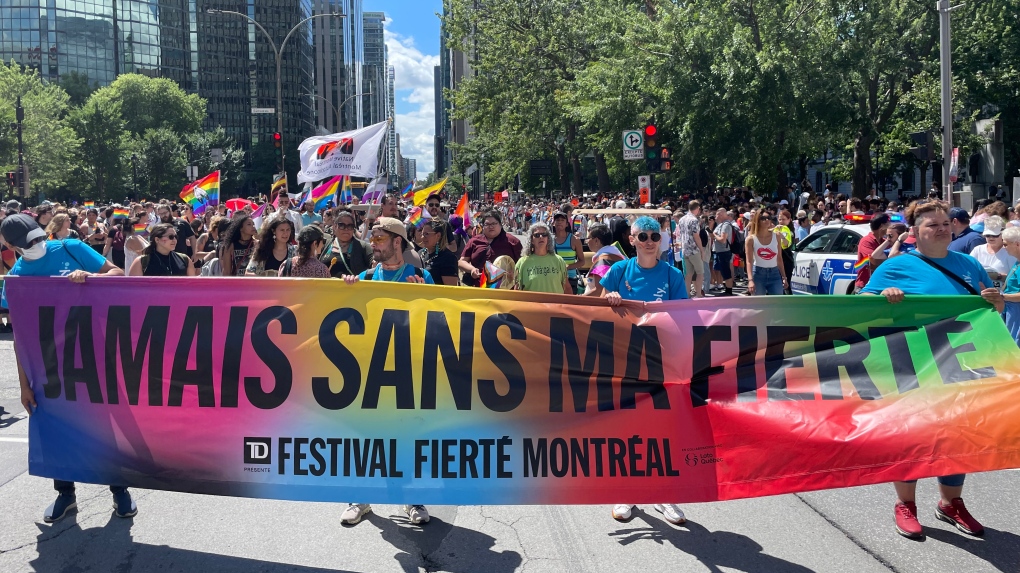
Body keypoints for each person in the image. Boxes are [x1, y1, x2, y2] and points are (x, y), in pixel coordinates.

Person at [861, 200, 1002, 539]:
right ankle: (906, 505)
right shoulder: (896, 266)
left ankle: (950, 503)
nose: (940, 228)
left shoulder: (968, 264)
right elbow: (860, 307)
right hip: (913, 365)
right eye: (931, 224)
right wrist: (884, 297)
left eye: (944, 223)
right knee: (912, 437)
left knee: (957, 438)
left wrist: (995, 302)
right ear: (915, 232)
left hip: (962, 364)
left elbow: (989, 310)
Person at [0, 214, 136, 522]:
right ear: (9, 246)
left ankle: (120, 491)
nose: (37, 245)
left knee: (105, 426)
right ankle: (65, 494)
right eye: (28, 244)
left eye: (39, 238)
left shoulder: (71, 247)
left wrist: (91, 278)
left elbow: (116, 273)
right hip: (49, 366)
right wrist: (24, 385)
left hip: (96, 354)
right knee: (55, 429)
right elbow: (20, 336)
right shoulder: (17, 278)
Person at [339, 216, 433, 526]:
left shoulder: (421, 276)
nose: (373, 243)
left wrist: (425, 298)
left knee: (408, 436)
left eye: (379, 238)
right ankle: (359, 498)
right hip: (371, 372)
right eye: (372, 238)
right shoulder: (365, 276)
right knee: (365, 436)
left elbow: (439, 324)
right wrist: (348, 291)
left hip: (408, 370)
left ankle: (413, 499)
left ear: (397, 242)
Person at [601, 216, 687, 527]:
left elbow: (684, 316)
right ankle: (628, 491)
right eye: (643, 236)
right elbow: (599, 310)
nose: (650, 241)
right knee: (629, 425)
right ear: (633, 240)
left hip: (661, 360)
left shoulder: (673, 274)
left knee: (662, 428)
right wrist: (609, 299)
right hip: (625, 358)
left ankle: (664, 493)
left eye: (654, 235)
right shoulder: (619, 271)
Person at [459, 211, 522, 287]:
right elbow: (461, 262)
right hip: (479, 287)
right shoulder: (474, 241)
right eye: (487, 224)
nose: (491, 227)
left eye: (494, 224)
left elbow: (522, 264)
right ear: (482, 226)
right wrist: (472, 269)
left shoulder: (513, 241)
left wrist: (514, 274)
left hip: (504, 289)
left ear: (500, 225)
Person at [515, 222, 570, 294]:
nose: (541, 237)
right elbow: (517, 291)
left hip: (555, 304)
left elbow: (567, 287)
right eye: (537, 235)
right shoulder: (522, 263)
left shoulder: (559, 260)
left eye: (544, 234)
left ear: (548, 238)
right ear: (531, 240)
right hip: (532, 305)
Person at [745, 209, 788, 295]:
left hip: (775, 273)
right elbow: (749, 261)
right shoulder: (750, 239)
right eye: (763, 218)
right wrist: (750, 280)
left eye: (769, 218)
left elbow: (779, 258)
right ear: (757, 220)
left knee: (777, 303)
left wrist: (784, 277)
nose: (767, 220)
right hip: (758, 273)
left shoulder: (777, 236)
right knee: (759, 305)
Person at [127, 223, 196, 276]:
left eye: (175, 236)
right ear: (157, 239)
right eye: (171, 237)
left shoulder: (185, 259)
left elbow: (192, 287)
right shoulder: (141, 262)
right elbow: (133, 290)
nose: (174, 240)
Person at [321, 209, 373, 278]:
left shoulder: (363, 247)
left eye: (350, 226)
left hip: (353, 287)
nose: (346, 229)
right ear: (334, 226)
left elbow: (375, 266)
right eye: (341, 225)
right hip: (326, 287)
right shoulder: (324, 244)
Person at [969, 216, 1015, 291]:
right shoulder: (977, 250)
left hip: (1003, 295)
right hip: (980, 293)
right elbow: (968, 270)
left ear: (1003, 233)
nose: (991, 238)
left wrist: (998, 276)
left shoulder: (1009, 251)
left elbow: (1015, 278)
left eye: (995, 235)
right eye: (987, 235)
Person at [582, 222, 624, 297]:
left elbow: (599, 290)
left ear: (596, 241)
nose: (587, 242)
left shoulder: (603, 261)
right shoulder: (618, 257)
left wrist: (580, 298)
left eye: (588, 238)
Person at [854, 213, 890, 293]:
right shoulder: (866, 241)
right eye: (888, 225)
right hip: (865, 285)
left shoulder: (884, 242)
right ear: (882, 226)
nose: (889, 228)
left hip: (880, 284)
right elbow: (873, 260)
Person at [676, 201, 704, 298]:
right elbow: (696, 236)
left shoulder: (682, 219)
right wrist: (702, 250)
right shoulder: (694, 220)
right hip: (693, 249)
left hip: (684, 249)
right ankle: (699, 294)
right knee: (700, 272)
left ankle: (686, 295)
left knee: (688, 274)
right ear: (697, 208)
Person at [418, 219, 459, 285]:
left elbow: (450, 290)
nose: (423, 237)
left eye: (426, 234)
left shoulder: (448, 258)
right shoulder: (420, 253)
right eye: (422, 234)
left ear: (438, 236)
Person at [552, 212, 584, 293]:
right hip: (553, 278)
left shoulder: (574, 240)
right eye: (557, 220)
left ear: (567, 224)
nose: (559, 222)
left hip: (570, 278)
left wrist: (567, 267)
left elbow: (582, 261)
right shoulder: (548, 240)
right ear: (553, 223)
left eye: (562, 220)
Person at [1001, 226, 1020, 346]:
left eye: (1006, 244)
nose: (1004, 247)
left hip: (1016, 309)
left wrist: (1002, 297)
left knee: (1014, 343)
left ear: (1017, 244)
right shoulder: (1018, 261)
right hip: (1011, 308)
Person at [712, 209, 736, 296]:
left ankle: (729, 291)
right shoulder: (721, 225)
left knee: (726, 271)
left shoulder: (726, 225)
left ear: (721, 215)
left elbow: (722, 240)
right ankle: (727, 289)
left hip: (724, 251)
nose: (715, 217)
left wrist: (714, 235)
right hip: (720, 251)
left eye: (717, 215)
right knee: (723, 271)